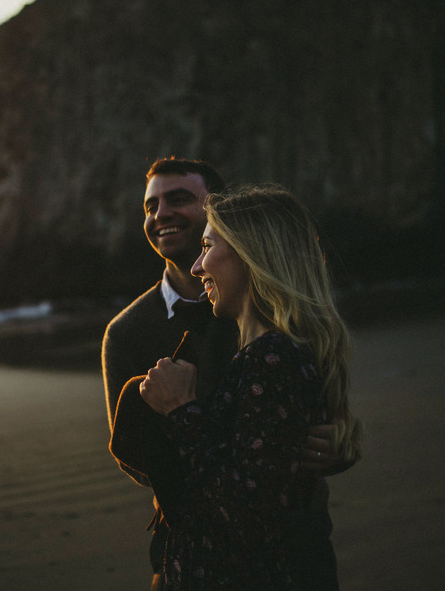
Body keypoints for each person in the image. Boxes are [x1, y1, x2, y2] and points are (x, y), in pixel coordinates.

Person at [102, 159, 353, 589]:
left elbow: (324, 419)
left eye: (179, 198)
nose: (160, 213)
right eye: (150, 206)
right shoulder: (127, 333)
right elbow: (138, 454)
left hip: (291, 552)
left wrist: (340, 445)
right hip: (190, 549)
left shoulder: (274, 326)